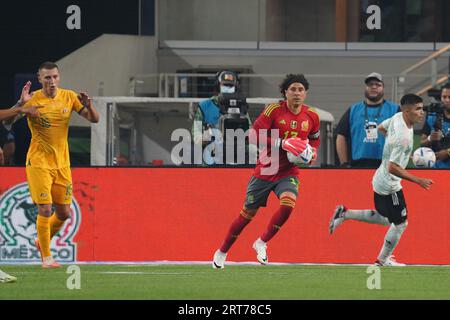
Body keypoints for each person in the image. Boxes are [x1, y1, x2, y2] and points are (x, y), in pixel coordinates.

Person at [212, 74, 320, 268]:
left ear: (306, 93)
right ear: (285, 93)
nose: (297, 93)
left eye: (300, 90)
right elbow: (251, 136)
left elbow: (314, 139)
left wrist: (312, 152)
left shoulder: (311, 116)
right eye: (293, 89)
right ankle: (222, 251)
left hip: (289, 172)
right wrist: (283, 143)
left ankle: (261, 242)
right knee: (246, 216)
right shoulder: (274, 110)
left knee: (288, 205)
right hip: (265, 170)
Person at [9, 62, 99, 268]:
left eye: (55, 77)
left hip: (62, 164)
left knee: (64, 214)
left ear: (59, 77)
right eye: (47, 78)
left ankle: (40, 240)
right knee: (45, 208)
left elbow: (94, 120)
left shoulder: (69, 96)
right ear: (39, 79)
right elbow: (7, 122)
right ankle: (47, 257)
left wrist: (90, 105)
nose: (52, 81)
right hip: (39, 162)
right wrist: (19, 105)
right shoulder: (33, 100)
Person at [329, 94, 433, 266]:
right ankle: (382, 260)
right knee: (401, 223)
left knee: (386, 218)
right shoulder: (404, 138)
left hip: (379, 178)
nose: (422, 113)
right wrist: (418, 180)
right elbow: (393, 167)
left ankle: (345, 213)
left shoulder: (398, 117)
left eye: (422, 108)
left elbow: (381, 128)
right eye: (418, 109)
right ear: (407, 110)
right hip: (390, 184)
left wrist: (392, 147)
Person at [335, 72, 400, 168]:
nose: (374, 87)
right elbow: (341, 136)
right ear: (365, 88)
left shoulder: (394, 110)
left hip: (386, 165)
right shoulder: (353, 110)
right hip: (357, 165)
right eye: (370, 84)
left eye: (378, 84)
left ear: (383, 88)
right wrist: (344, 163)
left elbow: (404, 136)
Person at [191, 70, 251, 165]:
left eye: (230, 86)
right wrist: (204, 137)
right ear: (217, 86)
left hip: (236, 159)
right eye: (224, 85)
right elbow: (196, 133)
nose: (227, 88)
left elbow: (250, 132)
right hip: (211, 159)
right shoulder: (204, 106)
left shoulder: (241, 105)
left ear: (236, 86)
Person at [420, 82, 450, 168]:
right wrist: (430, 138)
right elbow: (422, 143)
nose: (447, 100)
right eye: (444, 97)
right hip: (435, 170)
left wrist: (448, 152)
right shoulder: (432, 117)